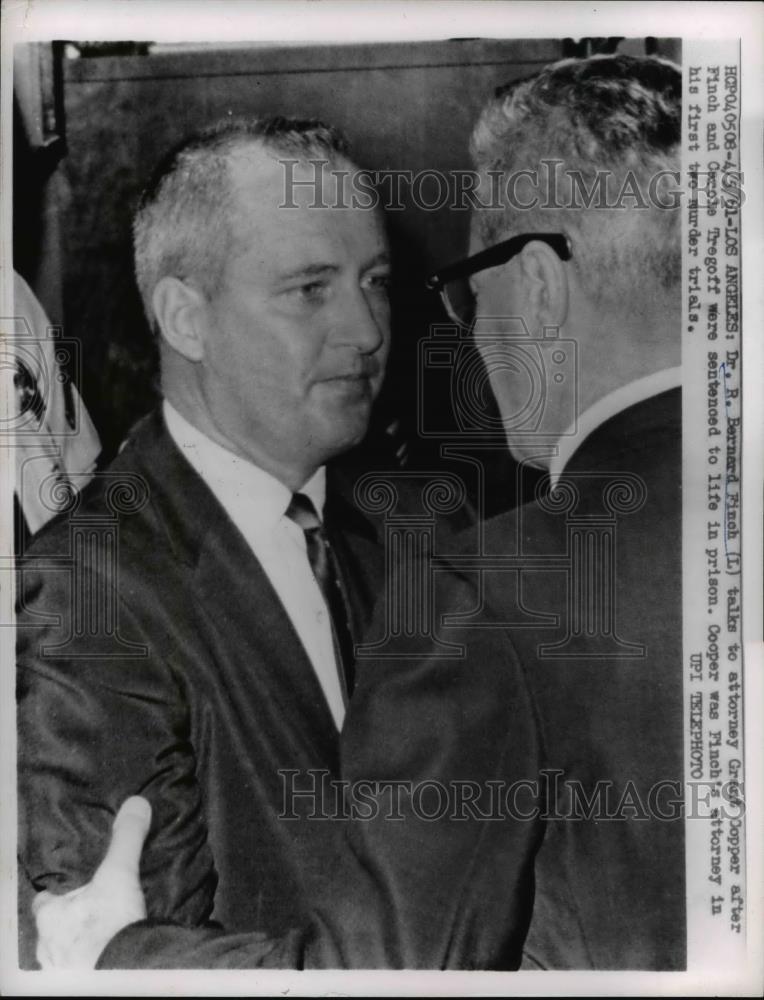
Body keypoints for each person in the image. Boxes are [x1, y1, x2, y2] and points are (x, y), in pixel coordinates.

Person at [32, 51, 685, 970]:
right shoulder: (75, 592)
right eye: (310, 290)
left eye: (375, 283)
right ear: (185, 317)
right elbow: (102, 916)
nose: (370, 331)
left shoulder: (434, 526)